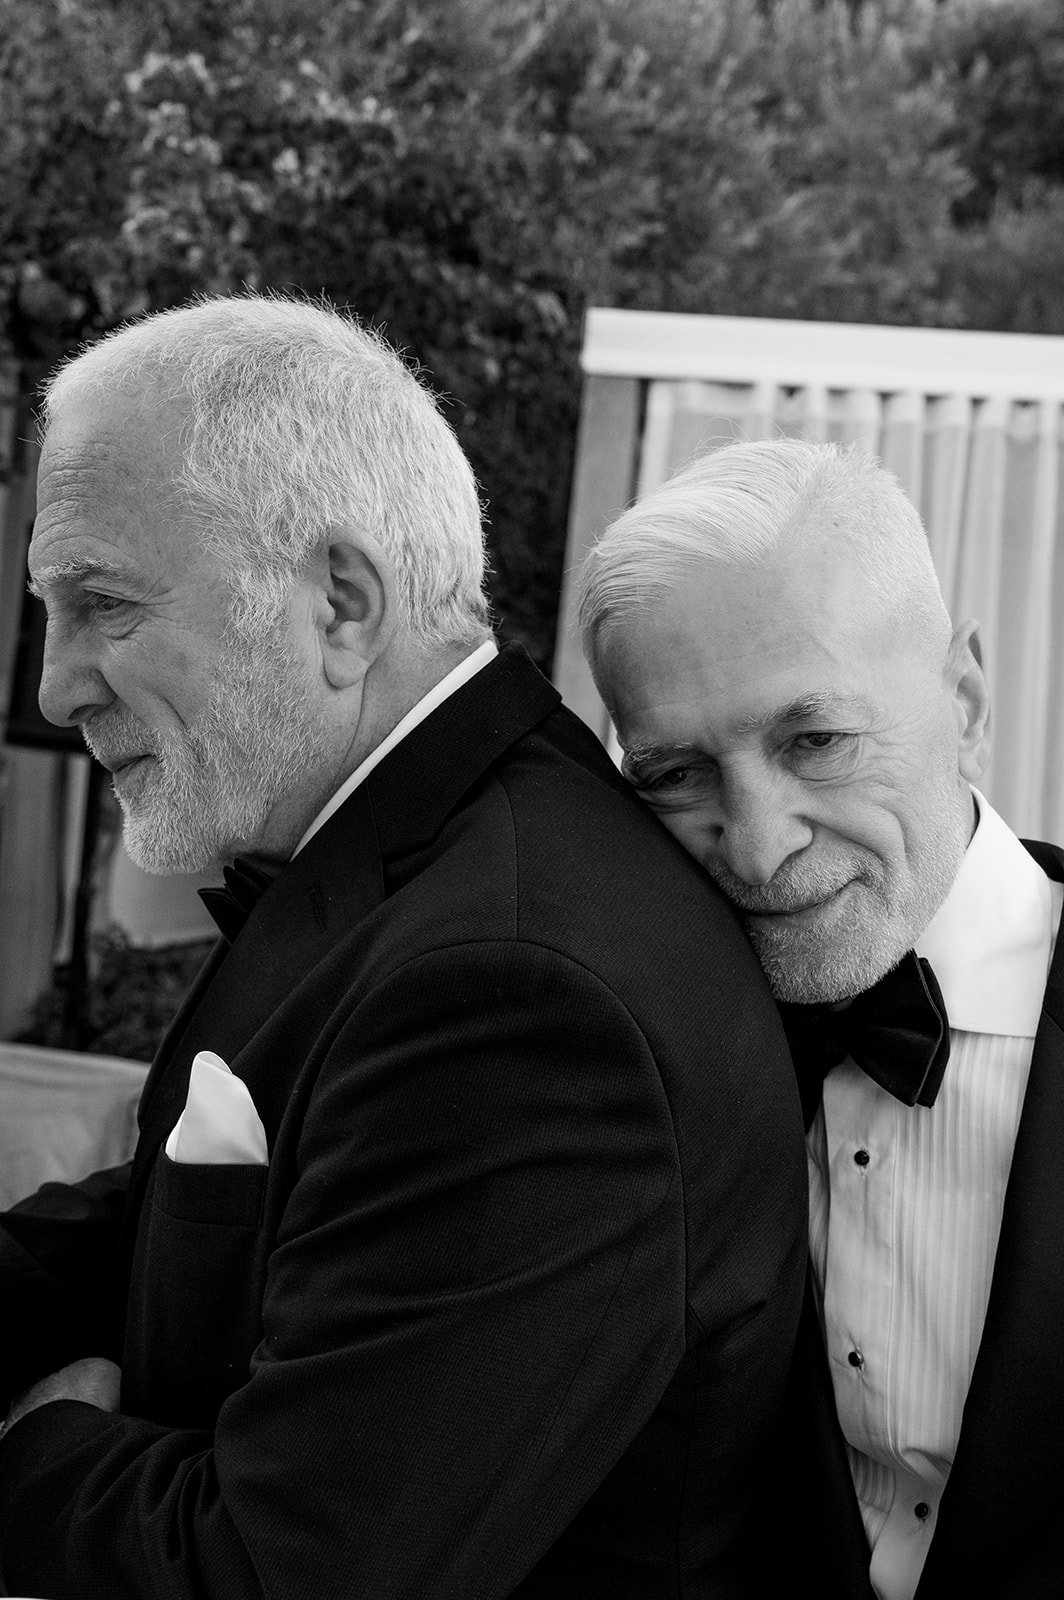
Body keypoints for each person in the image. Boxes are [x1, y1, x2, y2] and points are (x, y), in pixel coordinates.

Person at [0, 296, 807, 1599]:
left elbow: (287, 1570)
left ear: (341, 601)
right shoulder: (405, 854)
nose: (54, 683)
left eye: (100, 603)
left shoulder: (520, 987)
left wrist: (37, 1450)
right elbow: (163, 1216)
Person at [578, 434, 1064, 1600]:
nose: (756, 844)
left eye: (816, 740)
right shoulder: (631, 1043)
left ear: (965, 695)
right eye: (675, 775)